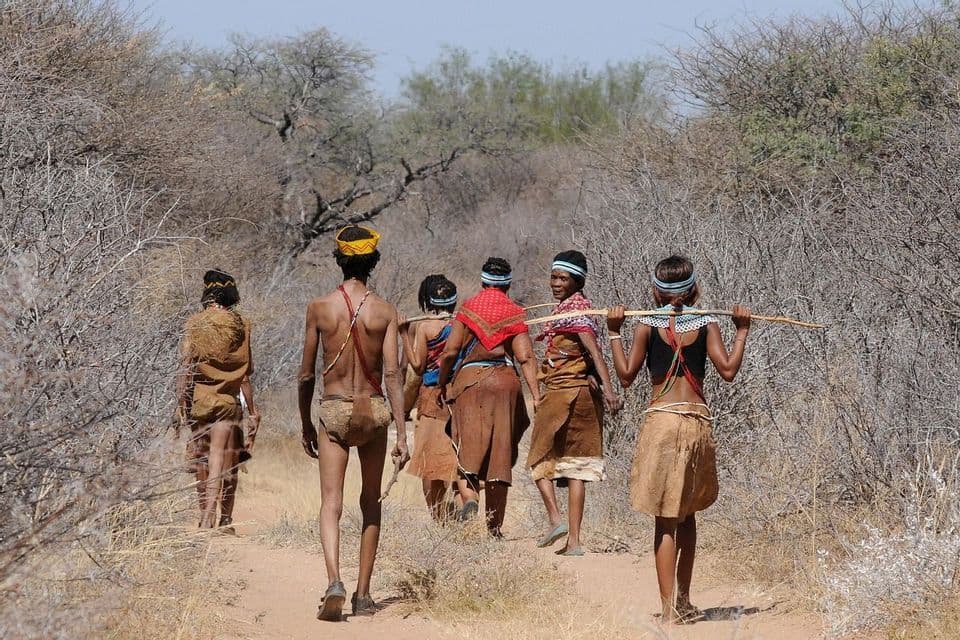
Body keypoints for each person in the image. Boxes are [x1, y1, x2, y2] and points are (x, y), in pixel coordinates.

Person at [605, 255, 750, 624]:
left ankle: (670, 610)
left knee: (664, 520)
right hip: (697, 424)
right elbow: (729, 370)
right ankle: (683, 602)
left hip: (662, 423)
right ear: (693, 289)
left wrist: (613, 331)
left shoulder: (645, 325)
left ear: (655, 290)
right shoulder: (708, 323)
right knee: (688, 517)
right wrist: (743, 329)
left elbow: (624, 376)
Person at [297, 225, 409, 621]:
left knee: (332, 503)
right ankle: (363, 595)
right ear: (373, 261)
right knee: (371, 502)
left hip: (335, 409)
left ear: (340, 260)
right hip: (374, 412)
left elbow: (307, 374)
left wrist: (306, 422)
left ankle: (334, 580)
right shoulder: (386, 311)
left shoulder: (320, 308)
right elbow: (394, 374)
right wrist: (401, 430)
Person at [437, 257, 540, 537]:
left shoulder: (468, 309)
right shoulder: (515, 312)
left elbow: (450, 351)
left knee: (466, 448)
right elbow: (525, 357)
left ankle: (470, 499)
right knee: (499, 457)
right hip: (505, 382)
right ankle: (494, 530)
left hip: (471, 382)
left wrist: (443, 381)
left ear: (483, 282)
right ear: (508, 284)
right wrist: (537, 395)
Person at [527, 251, 621, 556]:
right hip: (583, 396)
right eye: (554, 277)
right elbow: (589, 354)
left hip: (562, 393)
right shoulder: (579, 309)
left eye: (562, 278)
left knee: (539, 459)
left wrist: (609, 390)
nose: (555, 283)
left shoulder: (574, 313)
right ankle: (575, 543)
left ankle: (556, 520)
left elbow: (594, 352)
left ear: (576, 280)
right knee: (576, 467)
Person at [175, 269, 260, 532]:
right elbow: (246, 372)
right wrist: (253, 410)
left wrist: (182, 407)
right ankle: (216, 519)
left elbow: (186, 369)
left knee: (203, 459)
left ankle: (206, 517)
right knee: (222, 462)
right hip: (227, 402)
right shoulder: (242, 325)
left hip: (199, 401)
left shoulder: (195, 323)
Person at [400, 275, 461, 520]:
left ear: (428, 301)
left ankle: (438, 518)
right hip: (459, 395)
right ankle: (456, 508)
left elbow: (416, 365)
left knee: (428, 462)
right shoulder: (462, 324)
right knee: (456, 456)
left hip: (432, 398)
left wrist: (404, 334)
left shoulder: (424, 326)